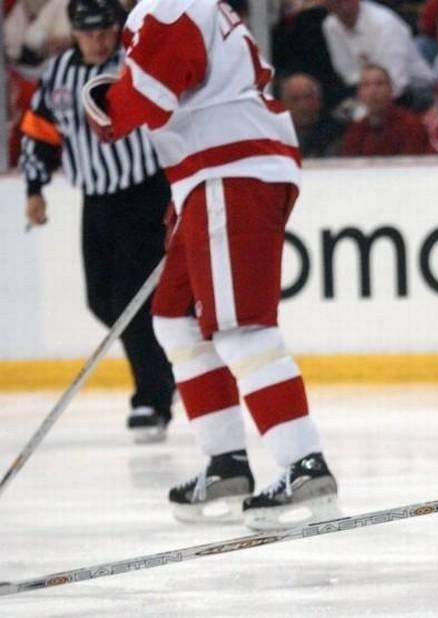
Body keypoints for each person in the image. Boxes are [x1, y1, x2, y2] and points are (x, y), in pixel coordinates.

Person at [82, 0, 340, 530]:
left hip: (230, 168)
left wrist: (103, 102)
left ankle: (303, 464)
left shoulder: (170, 4)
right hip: (207, 174)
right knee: (175, 318)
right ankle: (226, 462)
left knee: (241, 326)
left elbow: (148, 98)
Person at [20, 0, 174, 443]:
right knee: (101, 301)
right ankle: (166, 372)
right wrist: (34, 188)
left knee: (130, 300)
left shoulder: (133, 64)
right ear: (73, 33)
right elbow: (40, 131)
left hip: (144, 194)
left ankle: (152, 398)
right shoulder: (57, 74)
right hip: (97, 199)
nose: (99, 40)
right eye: (89, 32)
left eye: (105, 30)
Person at [322, 0, 435, 102]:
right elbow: (348, 74)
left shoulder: (385, 23)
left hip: (416, 92)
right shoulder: (330, 26)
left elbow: (397, 83)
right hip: (369, 94)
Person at [340, 64, 432, 157]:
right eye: (366, 85)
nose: (373, 91)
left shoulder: (410, 125)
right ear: (359, 93)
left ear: (391, 90)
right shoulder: (355, 131)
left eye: (379, 84)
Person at [279, 72, 345, 159]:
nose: (302, 106)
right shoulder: (273, 135)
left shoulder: (338, 133)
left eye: (308, 98)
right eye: (295, 99)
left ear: (319, 101)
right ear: (283, 105)